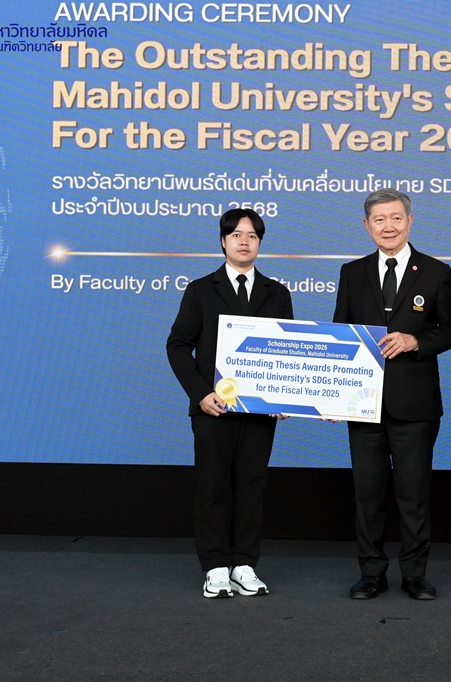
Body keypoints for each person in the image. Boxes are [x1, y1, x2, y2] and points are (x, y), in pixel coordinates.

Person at [333, 189, 451, 600]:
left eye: (395, 218)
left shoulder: (436, 271)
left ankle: (414, 574)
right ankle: (371, 572)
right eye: (379, 219)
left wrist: (415, 341)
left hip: (415, 404)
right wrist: (335, 394)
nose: (388, 226)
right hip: (362, 403)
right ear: (366, 226)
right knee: (367, 493)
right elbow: (340, 335)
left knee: (413, 493)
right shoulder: (352, 272)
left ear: (409, 221)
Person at [166, 207, 294, 598]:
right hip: (213, 409)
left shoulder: (277, 293)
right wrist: (200, 393)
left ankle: (244, 564)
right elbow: (177, 345)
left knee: (252, 487)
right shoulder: (201, 290)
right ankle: (215, 566)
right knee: (212, 487)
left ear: (259, 243)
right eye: (236, 235)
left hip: (259, 412)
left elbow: (286, 353)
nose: (244, 241)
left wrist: (284, 394)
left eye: (252, 236)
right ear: (223, 242)